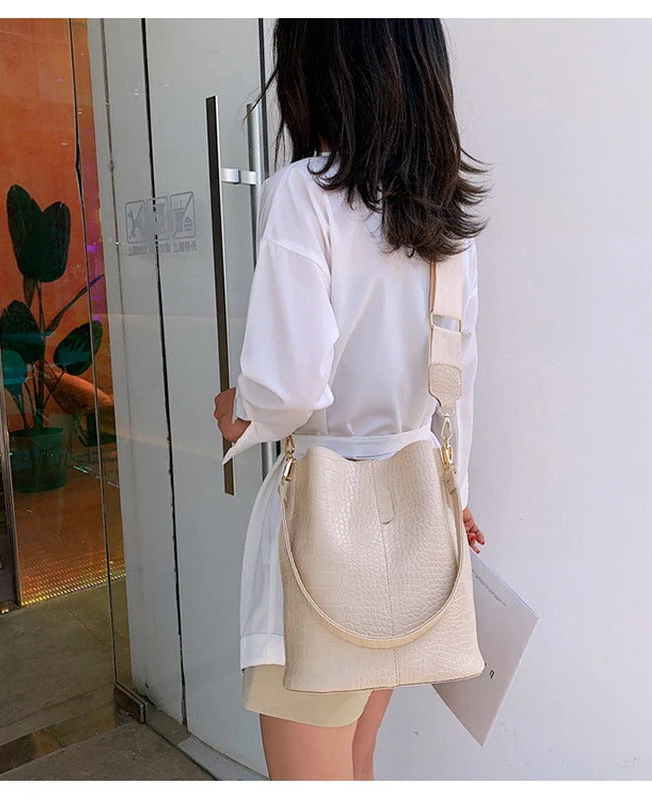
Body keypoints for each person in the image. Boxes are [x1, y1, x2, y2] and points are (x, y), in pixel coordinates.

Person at [212, 19, 490, 781]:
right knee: (358, 759)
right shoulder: (445, 214)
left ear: (317, 70)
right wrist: (457, 493)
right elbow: (456, 381)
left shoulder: (305, 192)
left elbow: (290, 387)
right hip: (407, 521)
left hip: (322, 529)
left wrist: (239, 413)